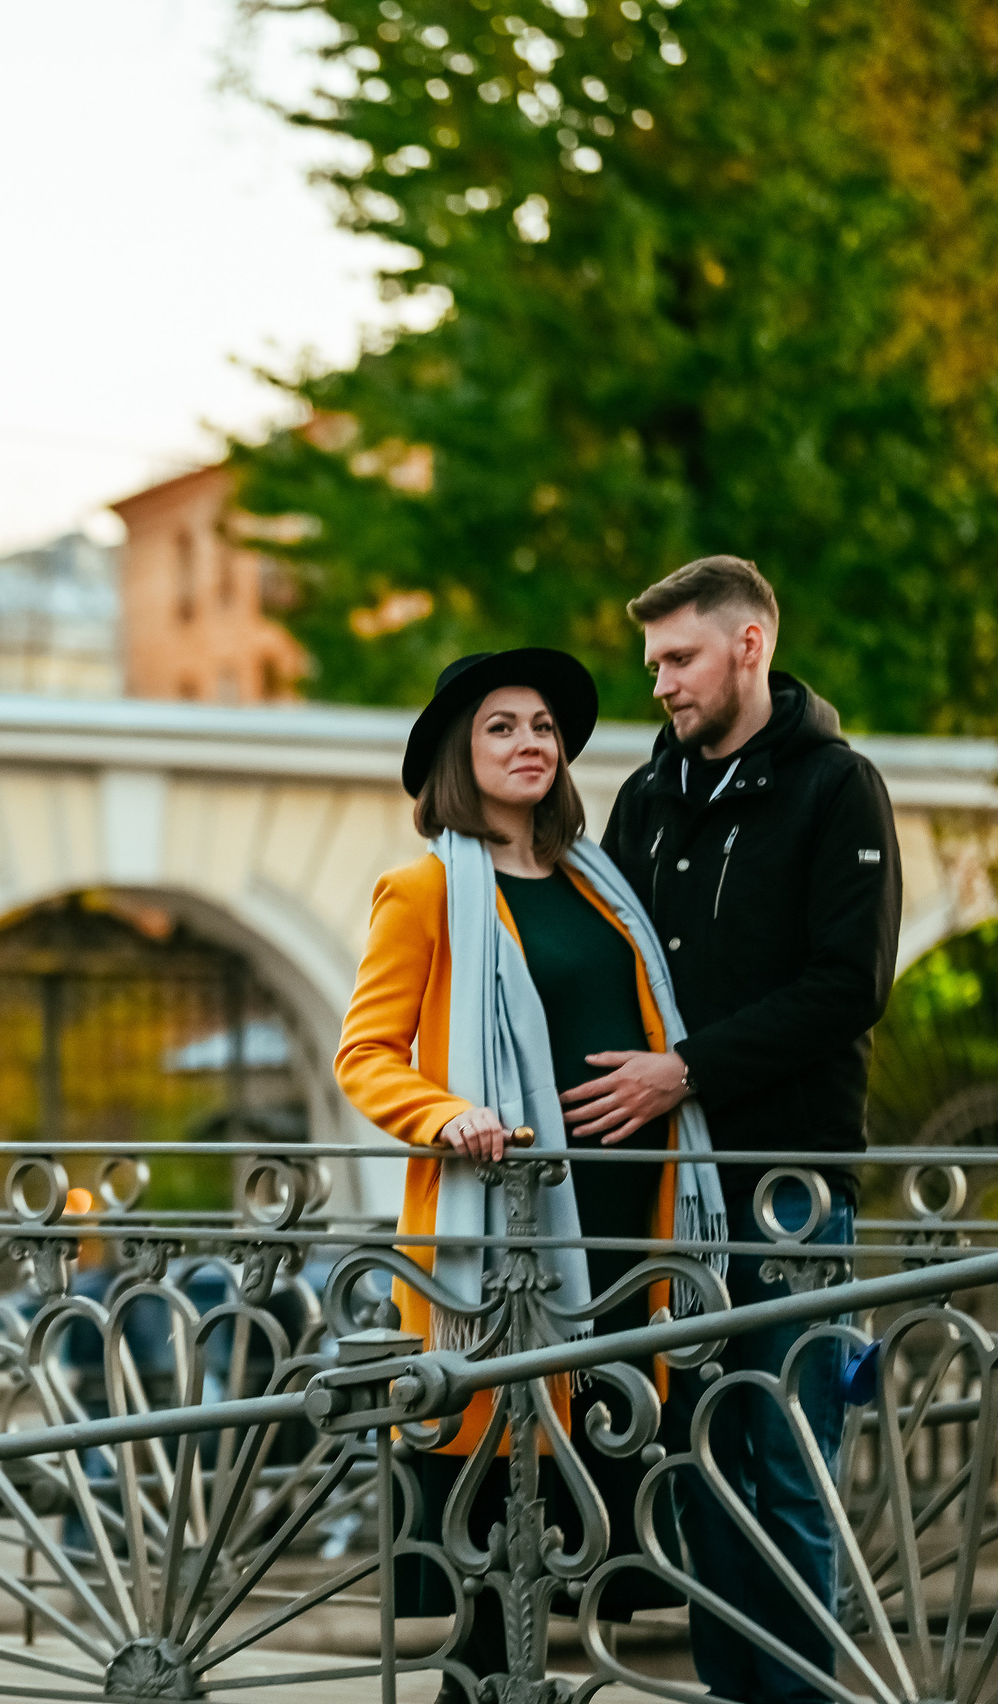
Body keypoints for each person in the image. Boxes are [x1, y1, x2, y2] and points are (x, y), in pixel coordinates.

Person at [334, 648, 728, 1704]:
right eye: (502, 727)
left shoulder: (604, 890)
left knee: (581, 1536)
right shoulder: (423, 892)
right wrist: (449, 1111)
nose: (530, 744)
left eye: (544, 727)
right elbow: (364, 1055)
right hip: (502, 1241)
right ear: (462, 758)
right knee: (490, 1526)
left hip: (620, 1238)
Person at [572, 556, 902, 1704]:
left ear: (748, 644)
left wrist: (687, 1070)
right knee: (697, 1464)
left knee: (788, 1460)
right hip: (674, 1196)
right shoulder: (643, 799)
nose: (659, 682)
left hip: (792, 1191)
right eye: (652, 661)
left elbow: (847, 984)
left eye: (678, 658)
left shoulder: (838, 787)